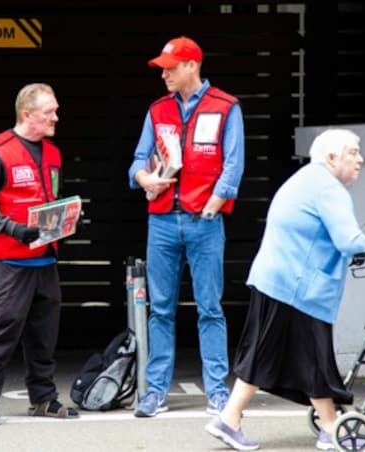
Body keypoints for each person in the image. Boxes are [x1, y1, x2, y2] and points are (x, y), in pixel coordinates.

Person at [204, 129, 365, 451]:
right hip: (299, 286)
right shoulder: (328, 189)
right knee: (312, 356)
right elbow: (349, 240)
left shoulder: (305, 179)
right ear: (332, 157)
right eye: (353, 152)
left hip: (276, 277)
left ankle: (230, 418)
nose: (360, 159)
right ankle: (331, 428)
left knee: (265, 353)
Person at [127, 36, 245, 417]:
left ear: (192, 65)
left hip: (203, 221)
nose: (164, 73)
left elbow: (234, 162)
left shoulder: (226, 106)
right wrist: (145, 180)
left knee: (210, 308)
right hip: (161, 220)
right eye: (162, 67)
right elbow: (137, 161)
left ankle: (217, 391)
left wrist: (214, 203)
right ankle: (155, 391)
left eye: (171, 67)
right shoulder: (157, 109)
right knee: (160, 309)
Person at [0, 82, 78, 426]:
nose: (56, 117)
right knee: (1, 329)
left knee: (44, 335)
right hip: (10, 261)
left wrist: (69, 217)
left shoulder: (54, 152)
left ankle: (43, 398)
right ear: (28, 115)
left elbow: (49, 197)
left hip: (45, 259)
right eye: (50, 112)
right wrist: (13, 229)